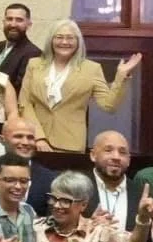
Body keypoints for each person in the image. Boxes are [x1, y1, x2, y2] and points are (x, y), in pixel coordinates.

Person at [17, 20, 140, 153]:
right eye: (59, 37)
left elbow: (109, 105)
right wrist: (38, 137)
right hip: (33, 142)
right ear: (51, 40)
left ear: (78, 42)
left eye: (70, 38)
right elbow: (24, 103)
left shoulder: (91, 69)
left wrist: (121, 76)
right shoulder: (34, 65)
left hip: (70, 144)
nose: (64, 42)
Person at [0, 3, 43, 94]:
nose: (13, 24)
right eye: (9, 19)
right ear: (3, 22)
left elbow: (21, 89)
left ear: (28, 25)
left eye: (19, 20)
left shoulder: (33, 53)